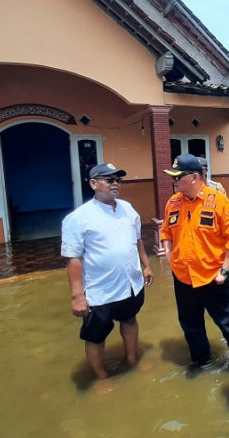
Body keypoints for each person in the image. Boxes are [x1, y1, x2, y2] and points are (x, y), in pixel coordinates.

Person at [61, 162, 154, 380]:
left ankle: (131, 360)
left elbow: (138, 241)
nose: (115, 184)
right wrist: (77, 297)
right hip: (99, 291)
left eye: (118, 180)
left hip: (131, 284)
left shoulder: (128, 209)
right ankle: (101, 376)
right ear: (93, 184)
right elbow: (73, 260)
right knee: (95, 336)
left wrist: (146, 266)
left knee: (130, 320)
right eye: (109, 180)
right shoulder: (78, 218)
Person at [160, 154, 229, 373]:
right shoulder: (173, 202)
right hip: (183, 278)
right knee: (190, 325)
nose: (173, 181)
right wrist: (170, 257)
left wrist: (225, 271)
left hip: (213, 277)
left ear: (193, 177)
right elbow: (166, 232)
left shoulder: (218, 200)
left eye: (177, 177)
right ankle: (201, 361)